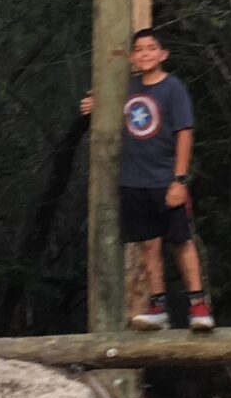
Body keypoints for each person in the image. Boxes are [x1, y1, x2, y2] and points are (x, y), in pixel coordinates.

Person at [85, 26, 214, 329]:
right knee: (148, 245)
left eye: (151, 48)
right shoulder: (129, 88)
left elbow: (185, 133)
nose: (145, 54)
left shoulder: (173, 88)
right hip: (134, 180)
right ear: (132, 56)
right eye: (139, 49)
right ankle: (158, 307)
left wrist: (179, 180)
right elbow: (104, 105)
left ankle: (199, 306)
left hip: (166, 179)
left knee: (181, 242)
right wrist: (92, 105)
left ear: (163, 54)